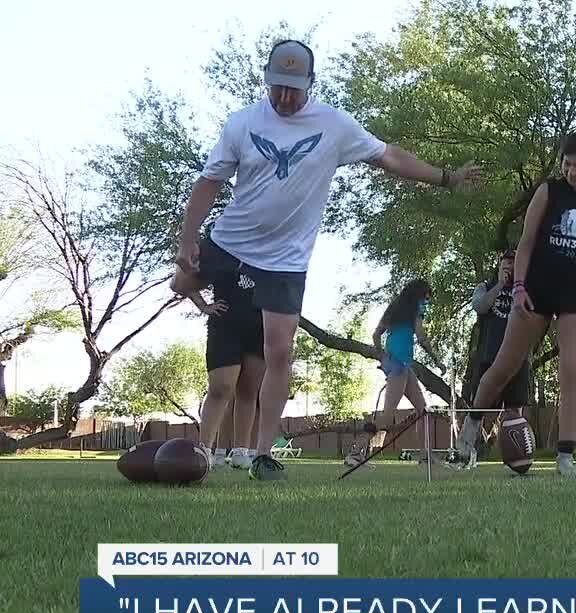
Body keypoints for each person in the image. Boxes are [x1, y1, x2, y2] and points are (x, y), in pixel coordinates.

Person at [170, 39, 481, 481]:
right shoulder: (242, 124)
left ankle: (261, 454)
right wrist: (187, 242)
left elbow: (389, 156)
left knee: (280, 352)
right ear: (267, 80)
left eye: (294, 89)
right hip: (231, 243)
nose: (284, 97)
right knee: (180, 284)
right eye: (277, 87)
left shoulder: (334, 126)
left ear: (311, 84)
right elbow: (208, 182)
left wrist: (446, 178)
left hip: (284, 262)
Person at [455, 130, 576, 477]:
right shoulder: (548, 191)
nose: (570, 171)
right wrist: (518, 288)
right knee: (504, 366)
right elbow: (526, 243)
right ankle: (468, 435)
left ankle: (565, 457)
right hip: (536, 289)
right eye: (565, 164)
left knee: (573, 371)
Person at [180, 253, 266, 470]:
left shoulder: (269, 251)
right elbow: (183, 283)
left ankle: (241, 452)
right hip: (225, 327)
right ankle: (204, 451)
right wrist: (204, 306)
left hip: (260, 328)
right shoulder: (220, 252)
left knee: (249, 391)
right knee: (222, 387)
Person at [365, 279, 438, 466]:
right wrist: (437, 359)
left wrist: (382, 357)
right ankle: (357, 452)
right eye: (427, 298)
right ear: (420, 295)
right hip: (399, 365)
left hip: (398, 364)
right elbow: (421, 337)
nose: (427, 302)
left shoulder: (395, 307)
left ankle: (425, 456)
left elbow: (376, 334)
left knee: (424, 411)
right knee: (388, 415)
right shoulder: (416, 307)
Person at [464, 249, 530, 450]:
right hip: (489, 357)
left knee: (514, 410)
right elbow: (479, 307)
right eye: (506, 263)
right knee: (479, 407)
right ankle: (466, 449)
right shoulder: (485, 286)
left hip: (517, 358)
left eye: (514, 263)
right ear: (499, 266)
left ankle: (516, 453)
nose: (510, 266)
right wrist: (500, 285)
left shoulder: (526, 289)